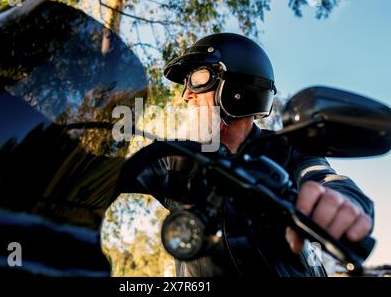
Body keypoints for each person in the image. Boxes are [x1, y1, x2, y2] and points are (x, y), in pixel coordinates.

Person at [157, 33, 374, 277]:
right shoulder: (174, 160)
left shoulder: (285, 147)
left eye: (198, 79)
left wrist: (342, 201)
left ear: (238, 90)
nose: (186, 95)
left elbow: (322, 177)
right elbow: (116, 171)